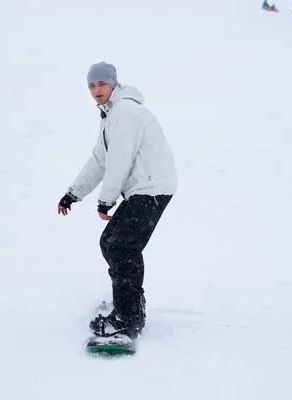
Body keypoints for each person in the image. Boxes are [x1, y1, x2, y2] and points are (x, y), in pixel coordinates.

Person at [57, 62, 178, 340]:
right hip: (144, 188)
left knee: (122, 246)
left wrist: (106, 200)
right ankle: (128, 302)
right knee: (110, 243)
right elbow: (100, 161)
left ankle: (127, 317)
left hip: (152, 187)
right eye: (91, 86)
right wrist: (73, 193)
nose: (96, 90)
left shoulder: (124, 112)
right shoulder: (110, 116)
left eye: (101, 84)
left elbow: (119, 160)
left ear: (113, 84)